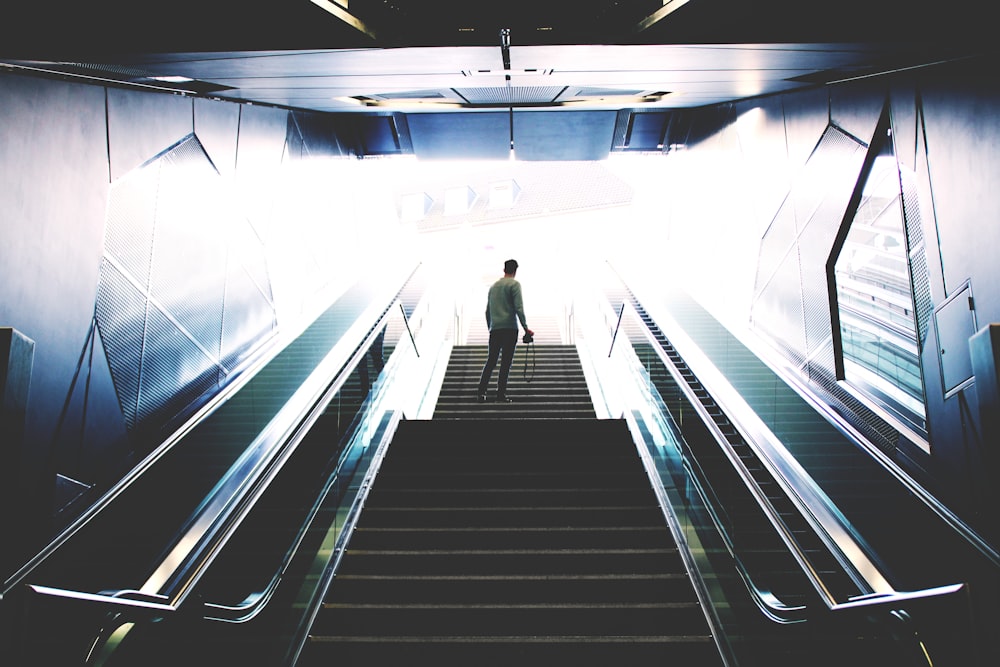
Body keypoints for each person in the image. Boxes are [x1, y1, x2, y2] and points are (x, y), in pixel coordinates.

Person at [477, 259, 533, 403]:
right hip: (509, 329)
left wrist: (491, 326)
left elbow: (487, 311)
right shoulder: (514, 285)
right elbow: (518, 308)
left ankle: (481, 392)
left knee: (491, 361)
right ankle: (500, 395)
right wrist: (526, 328)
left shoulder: (493, 287)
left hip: (495, 329)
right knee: (505, 363)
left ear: (504, 269)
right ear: (515, 270)